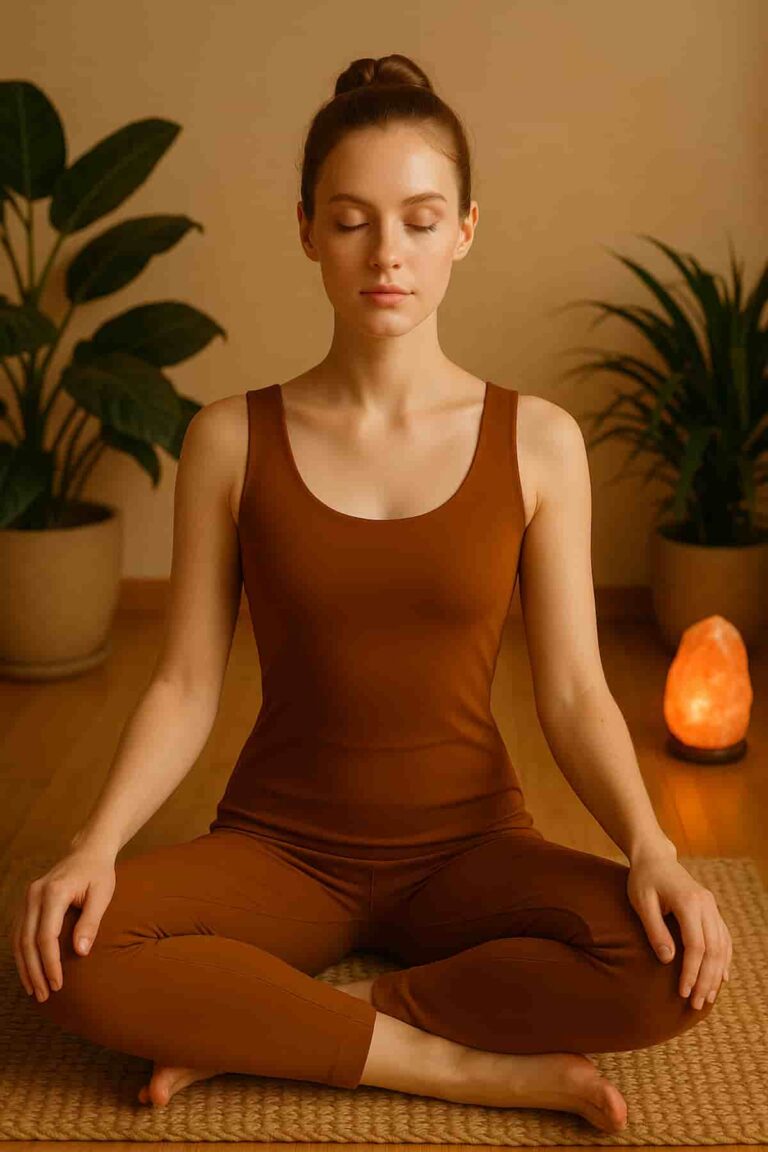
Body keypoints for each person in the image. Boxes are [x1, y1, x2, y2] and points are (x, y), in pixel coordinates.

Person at [12, 53, 731, 1134]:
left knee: (666, 962)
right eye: (351, 220)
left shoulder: (538, 441)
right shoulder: (227, 437)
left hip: (472, 847)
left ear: (466, 231)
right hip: (280, 848)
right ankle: (451, 1066)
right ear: (306, 229)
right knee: (70, 956)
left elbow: (577, 690)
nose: (387, 253)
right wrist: (95, 844)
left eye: (420, 219)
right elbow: (186, 681)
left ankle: (281, 1023)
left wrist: (654, 849)